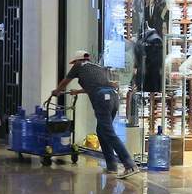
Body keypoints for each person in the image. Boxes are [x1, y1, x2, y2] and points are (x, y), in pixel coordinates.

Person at [52, 50, 137, 178]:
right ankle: (112, 166)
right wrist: (78, 92)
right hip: (113, 97)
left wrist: (57, 91)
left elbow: (66, 81)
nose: (74, 64)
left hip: (102, 98)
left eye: (74, 62)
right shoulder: (96, 67)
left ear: (77, 60)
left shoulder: (78, 66)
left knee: (108, 132)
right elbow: (96, 85)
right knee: (102, 131)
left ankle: (129, 165)